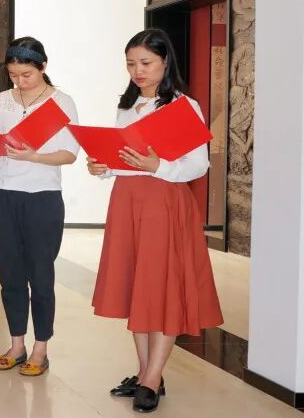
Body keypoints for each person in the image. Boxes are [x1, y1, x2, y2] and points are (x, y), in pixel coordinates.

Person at [88, 28, 223, 413]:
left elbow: (199, 164)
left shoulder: (183, 105)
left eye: (145, 63)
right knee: (138, 285)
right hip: (127, 202)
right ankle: (146, 372)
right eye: (131, 64)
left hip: (164, 202)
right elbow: (121, 158)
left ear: (166, 61)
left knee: (162, 286)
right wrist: (102, 167)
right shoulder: (127, 105)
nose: (138, 71)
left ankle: (151, 377)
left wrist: (157, 166)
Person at [0, 37, 79, 376]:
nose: (20, 82)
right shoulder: (1, 100)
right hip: (3, 193)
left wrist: (33, 156)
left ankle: (41, 349)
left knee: (40, 275)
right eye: (13, 75)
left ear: (43, 67)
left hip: (42, 196)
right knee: (10, 274)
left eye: (26, 75)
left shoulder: (61, 102)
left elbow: (69, 154)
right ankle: (16, 345)